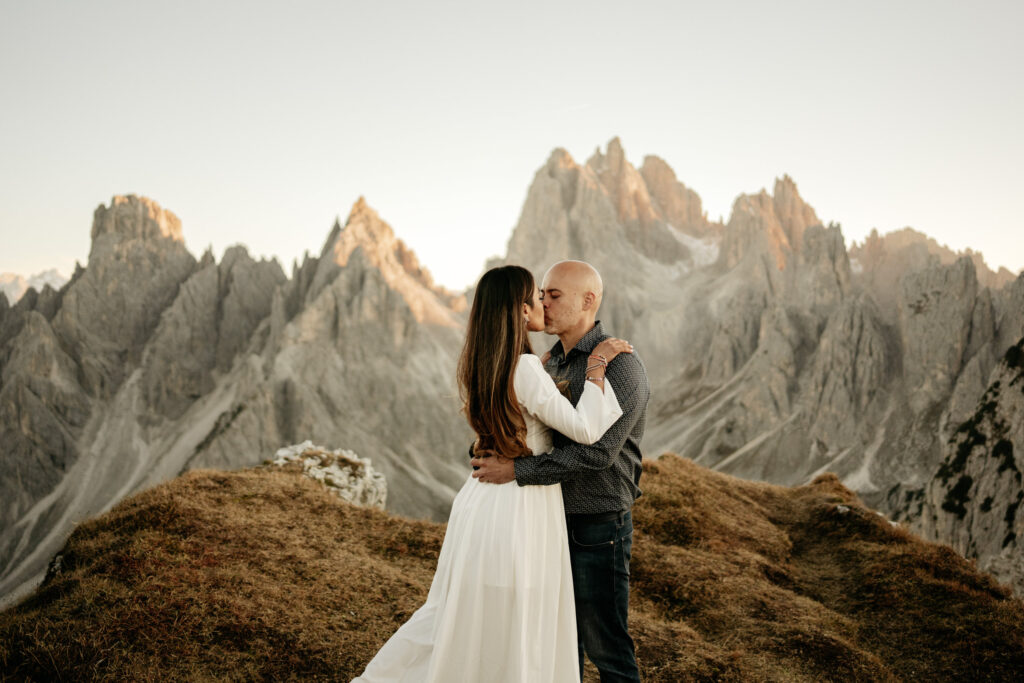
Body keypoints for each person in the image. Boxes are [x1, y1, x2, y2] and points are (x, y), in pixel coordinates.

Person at [352, 265, 633, 683]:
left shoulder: (487, 362)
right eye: (539, 297)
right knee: (520, 615)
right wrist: (597, 365)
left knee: (465, 611)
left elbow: (511, 421)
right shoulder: (527, 367)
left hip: (482, 502)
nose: (544, 303)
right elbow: (588, 430)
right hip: (521, 504)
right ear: (521, 310)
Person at [471, 260, 649, 683]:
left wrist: (517, 470)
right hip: (544, 522)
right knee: (557, 640)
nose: (541, 304)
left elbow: (599, 453)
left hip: (595, 522)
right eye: (542, 294)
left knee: (606, 643)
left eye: (553, 296)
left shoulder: (620, 365)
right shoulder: (548, 362)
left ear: (588, 301)